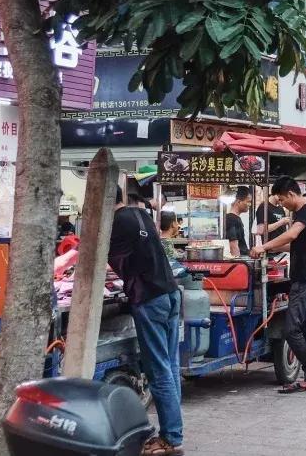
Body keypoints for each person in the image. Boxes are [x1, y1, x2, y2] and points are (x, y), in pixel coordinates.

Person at [107, 187, 183, 456]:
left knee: (158, 369)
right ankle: (173, 432)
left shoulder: (114, 224)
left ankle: (171, 437)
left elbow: (101, 261)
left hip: (150, 298)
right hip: (171, 293)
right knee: (170, 366)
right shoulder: (141, 214)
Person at [250, 176, 306, 393]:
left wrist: (263, 247)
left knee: (291, 329)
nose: (282, 204)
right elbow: (297, 246)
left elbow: (291, 235)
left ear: (291, 194)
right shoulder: (305, 213)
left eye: (282, 200)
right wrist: (273, 248)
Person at [225, 186, 251, 256]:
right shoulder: (231, 219)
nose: (250, 204)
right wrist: (239, 262)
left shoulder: (236, 218)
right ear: (238, 202)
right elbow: (233, 246)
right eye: (248, 201)